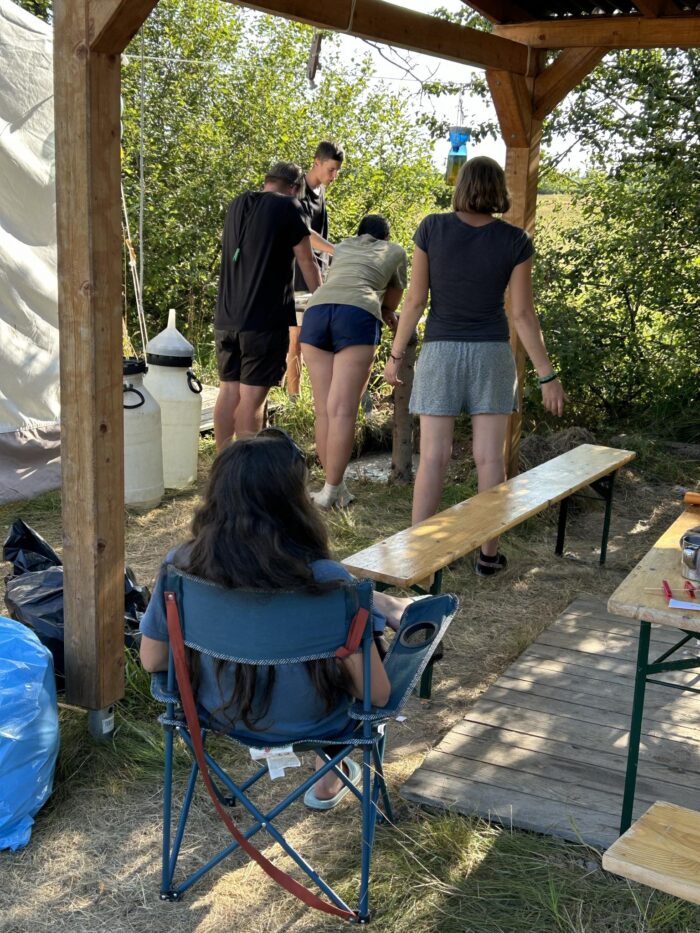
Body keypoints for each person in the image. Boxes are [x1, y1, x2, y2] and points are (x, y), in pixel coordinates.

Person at [139, 428, 412, 808]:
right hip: (317, 721)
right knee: (356, 645)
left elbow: (152, 659)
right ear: (294, 502)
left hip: (217, 712)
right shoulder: (327, 583)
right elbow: (376, 695)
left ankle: (383, 606)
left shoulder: (181, 569)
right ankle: (329, 775)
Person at [384, 157, 566, 575]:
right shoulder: (515, 240)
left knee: (433, 457)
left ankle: (420, 556)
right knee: (490, 459)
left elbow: (415, 301)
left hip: (441, 352)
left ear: (461, 186)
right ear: (499, 190)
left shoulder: (432, 228)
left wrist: (395, 355)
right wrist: (547, 375)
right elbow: (522, 314)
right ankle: (488, 557)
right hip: (491, 355)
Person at [300, 215, 407, 508]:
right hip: (357, 315)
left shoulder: (344, 246)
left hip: (317, 313)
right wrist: (388, 311)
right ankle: (331, 492)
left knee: (324, 410)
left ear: (359, 234)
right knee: (343, 411)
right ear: (386, 237)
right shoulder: (394, 251)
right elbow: (393, 298)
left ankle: (334, 488)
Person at [213, 162, 322, 449]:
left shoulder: (238, 204)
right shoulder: (289, 206)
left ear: (268, 181)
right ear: (295, 188)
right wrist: (324, 302)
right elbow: (307, 261)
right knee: (251, 399)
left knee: (228, 392)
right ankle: (247, 470)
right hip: (262, 322)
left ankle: (223, 464)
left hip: (226, 318)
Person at [287, 141, 345, 398]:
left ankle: (308, 396)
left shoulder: (321, 191)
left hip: (316, 276)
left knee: (314, 337)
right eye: (331, 169)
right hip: (297, 276)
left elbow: (321, 233)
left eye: (337, 171)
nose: (334, 176)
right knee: (296, 340)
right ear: (316, 162)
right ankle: (293, 398)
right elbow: (304, 232)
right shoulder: (298, 188)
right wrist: (335, 250)